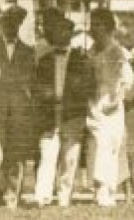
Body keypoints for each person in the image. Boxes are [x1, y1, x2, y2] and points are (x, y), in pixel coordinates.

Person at [31, 15, 96, 208]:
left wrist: (73, 99)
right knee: (48, 154)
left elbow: (87, 86)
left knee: (70, 156)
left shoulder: (81, 59)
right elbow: (36, 87)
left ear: (70, 34)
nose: (61, 35)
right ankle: (42, 197)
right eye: (57, 31)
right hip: (50, 113)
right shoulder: (44, 60)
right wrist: (48, 97)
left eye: (65, 31)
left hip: (72, 113)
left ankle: (64, 195)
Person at [0, 5, 38, 210]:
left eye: (16, 23)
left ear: (20, 25)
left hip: (18, 115)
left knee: (15, 160)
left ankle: (12, 200)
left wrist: (0, 75)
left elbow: (29, 79)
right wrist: (3, 77)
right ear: (3, 23)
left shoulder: (28, 52)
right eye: (8, 22)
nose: (12, 26)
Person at [86, 11, 134, 208]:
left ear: (107, 28)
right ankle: (99, 187)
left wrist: (117, 98)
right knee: (97, 144)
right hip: (95, 101)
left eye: (98, 25)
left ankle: (108, 190)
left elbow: (128, 79)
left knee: (110, 145)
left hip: (112, 102)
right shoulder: (91, 51)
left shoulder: (117, 51)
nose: (94, 29)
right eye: (93, 24)